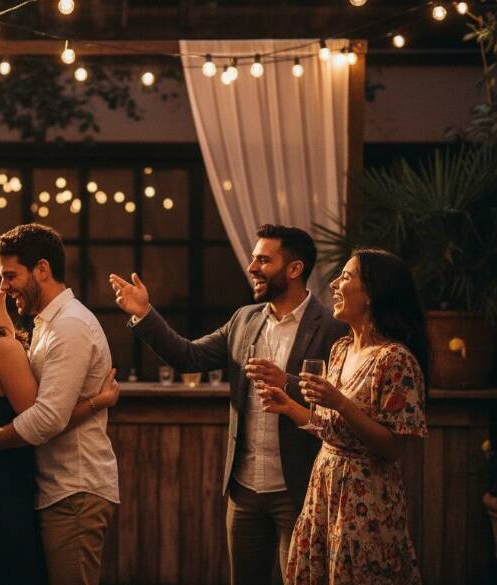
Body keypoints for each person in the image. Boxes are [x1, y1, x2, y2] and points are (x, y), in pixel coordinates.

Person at [110, 224, 348, 585]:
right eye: (253, 259)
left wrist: (287, 382)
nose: (252, 267)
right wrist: (145, 314)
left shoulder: (332, 327)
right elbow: (188, 356)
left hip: (300, 488)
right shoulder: (244, 319)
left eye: (264, 260)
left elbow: (339, 398)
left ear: (294, 269)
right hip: (244, 489)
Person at [0, 277, 119, 585]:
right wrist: (99, 401)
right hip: (0, 494)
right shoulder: (3, 348)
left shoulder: (6, 345)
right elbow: (45, 422)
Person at [257, 248, 427, 584]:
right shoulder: (340, 349)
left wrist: (342, 403)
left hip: (367, 500)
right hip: (324, 489)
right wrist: (288, 406)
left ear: (371, 295)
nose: (334, 284)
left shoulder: (396, 360)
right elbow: (330, 429)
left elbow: (392, 447)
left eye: (345, 277)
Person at [0, 223, 120, 585]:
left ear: (43, 269)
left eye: (10, 275)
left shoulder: (70, 327)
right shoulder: (46, 325)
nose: (3, 286)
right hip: (55, 489)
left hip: (75, 492)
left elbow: (48, 419)